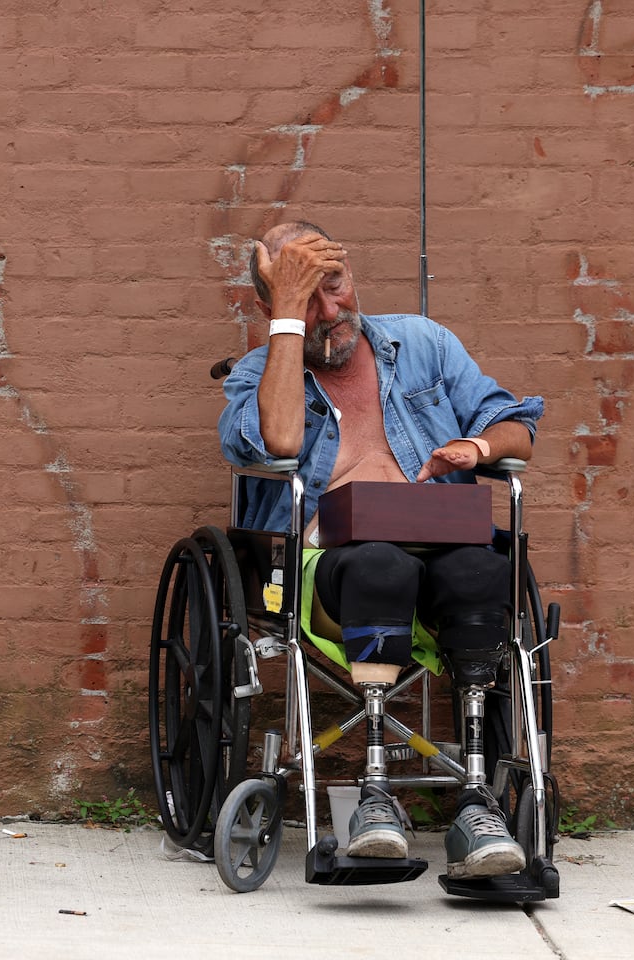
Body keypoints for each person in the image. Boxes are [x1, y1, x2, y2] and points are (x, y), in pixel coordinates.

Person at [218, 219, 545, 880]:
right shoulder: (258, 375)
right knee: (379, 565)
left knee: (484, 569)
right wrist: (288, 322)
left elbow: (518, 427)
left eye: (334, 285)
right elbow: (277, 442)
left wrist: (477, 447)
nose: (330, 310)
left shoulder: (422, 344)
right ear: (270, 307)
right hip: (330, 568)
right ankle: (373, 794)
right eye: (306, 297)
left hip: (440, 545)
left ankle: (478, 798)